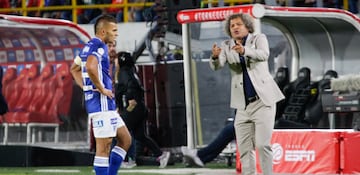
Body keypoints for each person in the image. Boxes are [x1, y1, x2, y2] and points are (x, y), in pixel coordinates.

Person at [209, 13, 285, 175]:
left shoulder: (259, 38)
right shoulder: (226, 45)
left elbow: (263, 55)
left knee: (262, 145)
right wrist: (215, 57)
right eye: (232, 26)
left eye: (238, 24)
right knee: (244, 148)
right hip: (242, 105)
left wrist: (244, 50)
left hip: (262, 101)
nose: (235, 27)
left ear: (247, 26)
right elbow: (217, 65)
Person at [70, 14, 131, 175]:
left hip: (105, 104)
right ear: (103, 31)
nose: (117, 33)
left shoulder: (88, 46)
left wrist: (86, 87)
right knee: (104, 147)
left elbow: (74, 69)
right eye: (114, 30)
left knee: (125, 140)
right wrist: (101, 88)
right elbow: (90, 66)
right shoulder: (99, 46)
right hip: (101, 103)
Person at [115, 51, 170, 168]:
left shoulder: (123, 72)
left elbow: (128, 87)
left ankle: (124, 160)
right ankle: (160, 155)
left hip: (134, 107)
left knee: (120, 132)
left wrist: (129, 99)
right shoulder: (131, 71)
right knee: (140, 136)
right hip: (140, 107)